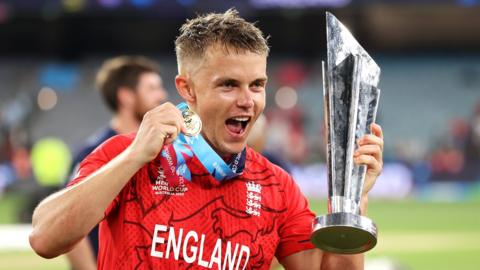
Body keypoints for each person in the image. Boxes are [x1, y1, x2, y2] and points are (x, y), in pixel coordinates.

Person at [30, 9, 384, 269]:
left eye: (257, 85)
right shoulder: (128, 153)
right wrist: (134, 157)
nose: (248, 100)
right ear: (188, 88)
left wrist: (354, 198)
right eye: (228, 84)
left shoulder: (276, 186)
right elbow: (45, 238)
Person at [64, 56, 168, 269]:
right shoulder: (92, 153)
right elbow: (69, 224)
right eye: (152, 88)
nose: (162, 95)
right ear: (126, 97)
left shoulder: (165, 149)